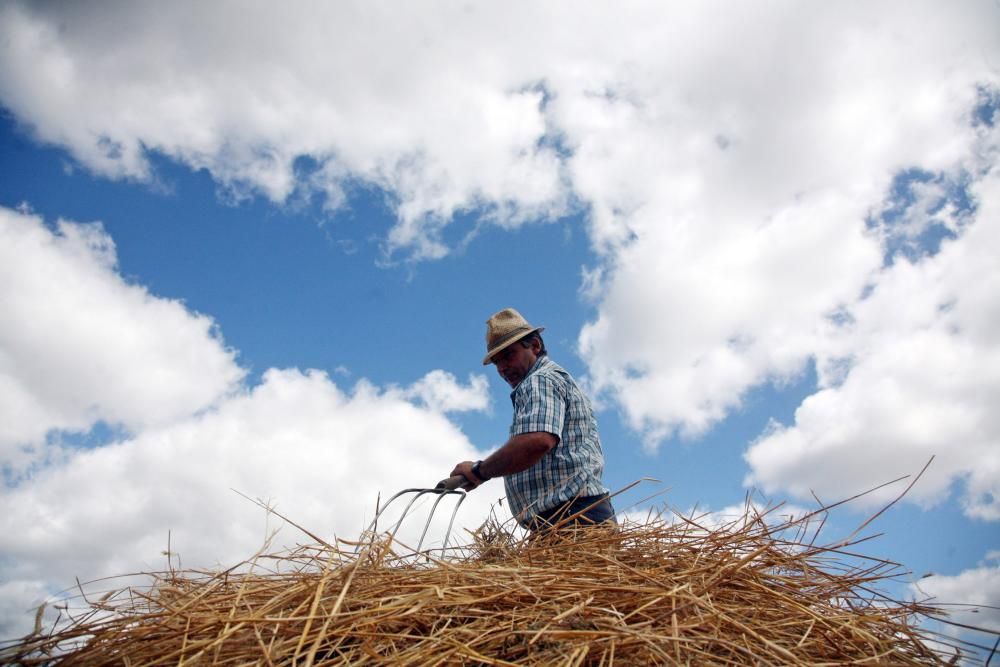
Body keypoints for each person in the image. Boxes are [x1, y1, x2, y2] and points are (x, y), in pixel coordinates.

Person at [450, 308, 615, 530]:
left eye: (509, 355)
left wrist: (479, 471)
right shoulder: (552, 379)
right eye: (497, 362)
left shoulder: (540, 380)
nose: (503, 368)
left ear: (535, 346)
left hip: (573, 520)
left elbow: (537, 441)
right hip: (561, 521)